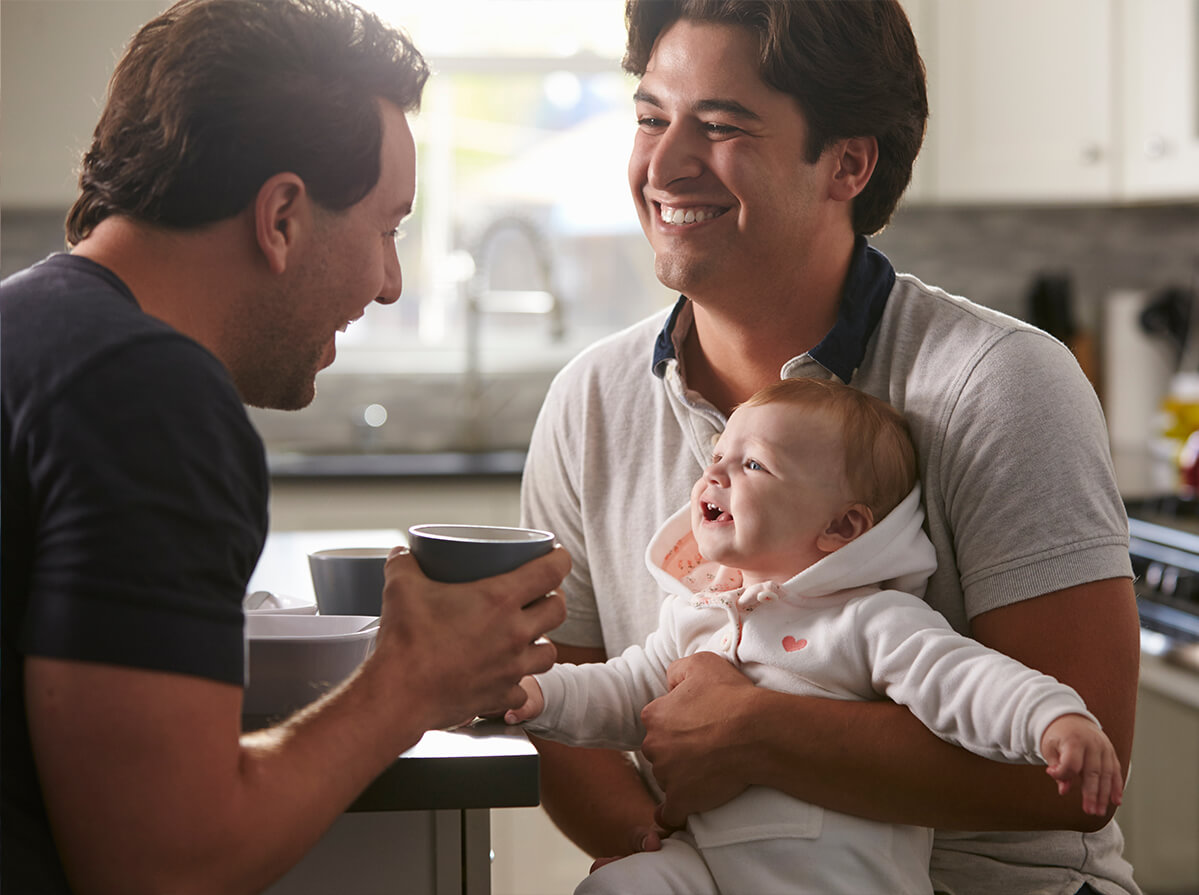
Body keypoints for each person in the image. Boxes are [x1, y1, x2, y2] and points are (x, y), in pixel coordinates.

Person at [519, 1, 1141, 893]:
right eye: (651, 117)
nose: (663, 164)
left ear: (847, 162)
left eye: (721, 126)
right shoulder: (590, 401)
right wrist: (694, 870)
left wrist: (756, 732)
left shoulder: (1000, 384)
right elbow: (560, 717)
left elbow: (1082, 771)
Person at [0, 2, 568, 893]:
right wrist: (409, 683)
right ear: (282, 218)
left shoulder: (30, 326)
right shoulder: (148, 394)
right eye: (387, 228)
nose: (390, 284)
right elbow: (159, 867)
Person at [510, 378, 1124, 894]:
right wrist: (535, 694)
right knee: (613, 887)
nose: (716, 474)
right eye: (717, 458)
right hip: (705, 869)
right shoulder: (696, 616)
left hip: (840, 878)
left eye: (752, 465)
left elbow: (964, 680)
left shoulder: (869, 619)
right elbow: (625, 691)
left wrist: (1053, 719)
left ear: (841, 526)